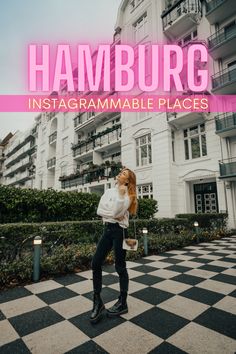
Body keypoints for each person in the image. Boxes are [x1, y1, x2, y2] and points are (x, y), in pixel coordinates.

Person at [90, 167, 138, 324]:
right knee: (95, 263)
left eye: (124, 173)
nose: (120, 173)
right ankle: (97, 301)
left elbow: (117, 212)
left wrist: (120, 198)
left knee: (120, 267)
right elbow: (99, 210)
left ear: (128, 180)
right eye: (121, 171)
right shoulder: (109, 191)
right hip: (108, 230)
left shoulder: (129, 196)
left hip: (120, 232)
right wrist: (112, 214)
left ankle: (123, 302)